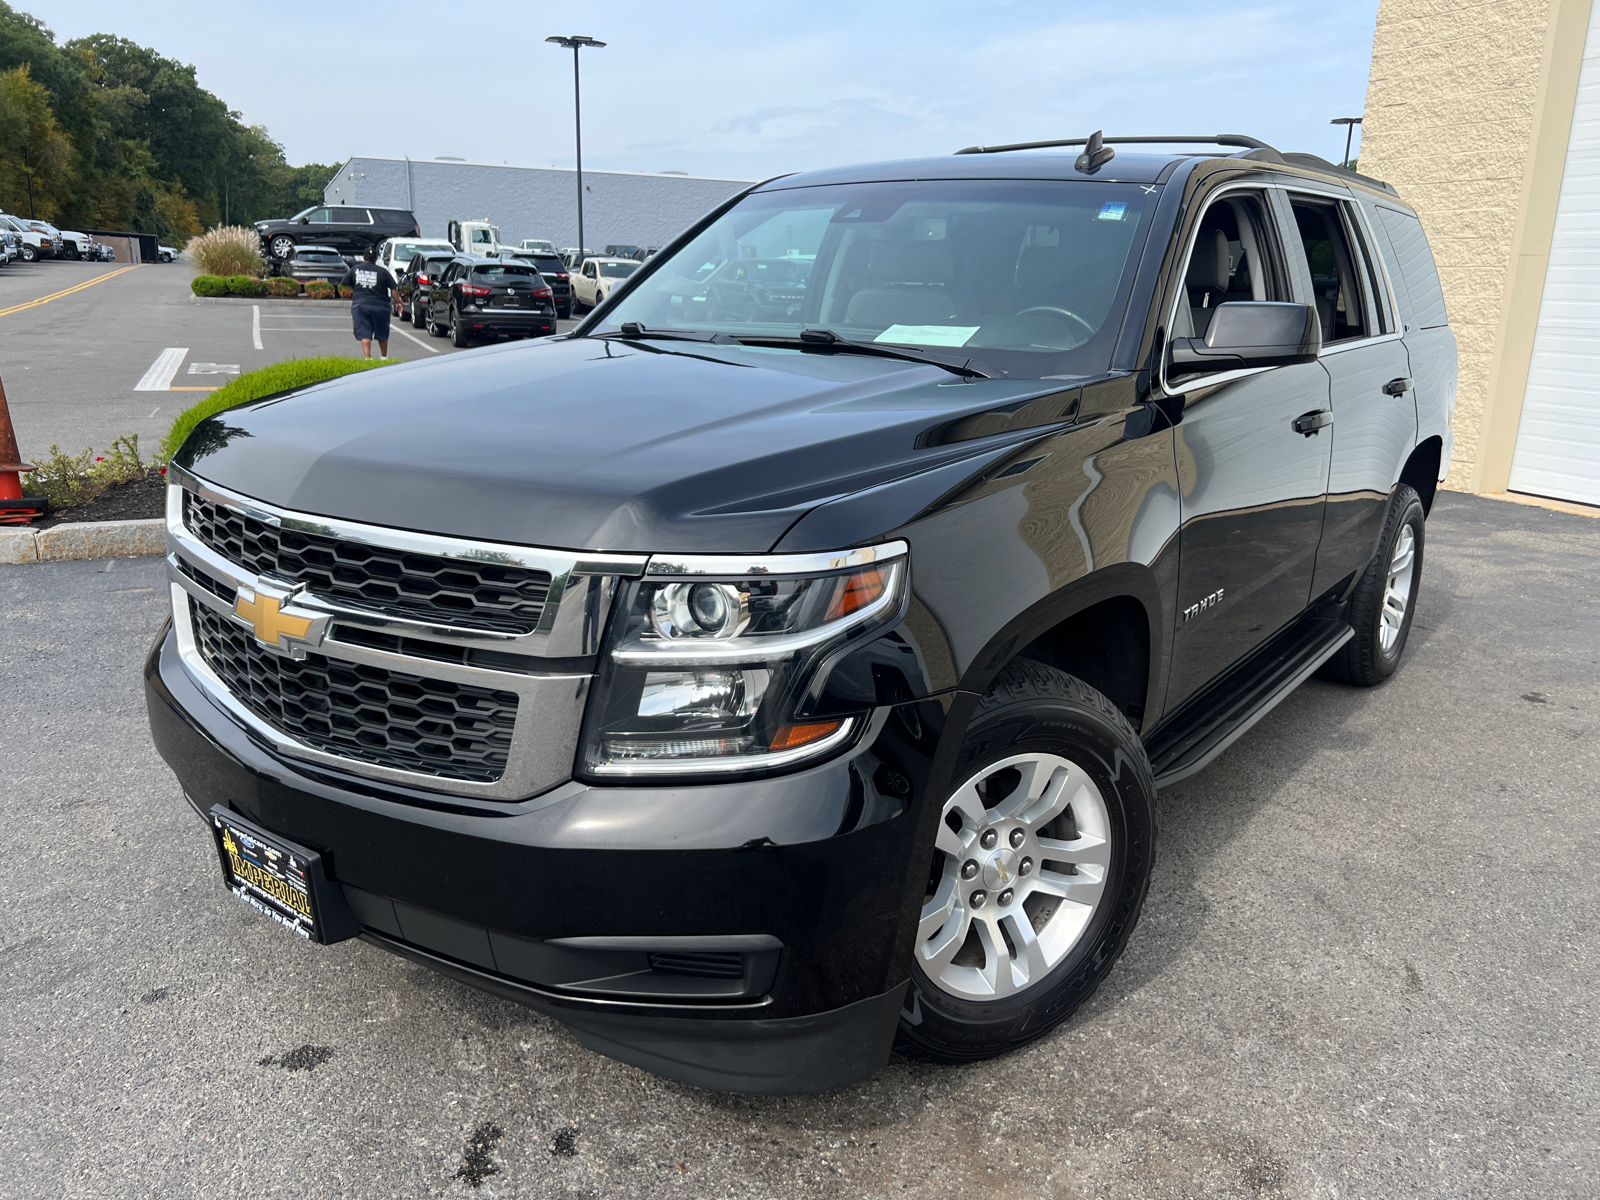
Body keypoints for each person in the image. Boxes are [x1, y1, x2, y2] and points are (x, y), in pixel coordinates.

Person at [341, 246, 398, 359]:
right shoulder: (382, 271)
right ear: (376, 258)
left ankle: (368, 358)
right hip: (380, 306)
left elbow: (344, 283)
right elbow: (393, 288)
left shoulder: (355, 269)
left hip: (360, 305)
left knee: (364, 332)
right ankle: (384, 357)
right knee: (382, 333)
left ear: (364, 257)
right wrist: (398, 302)